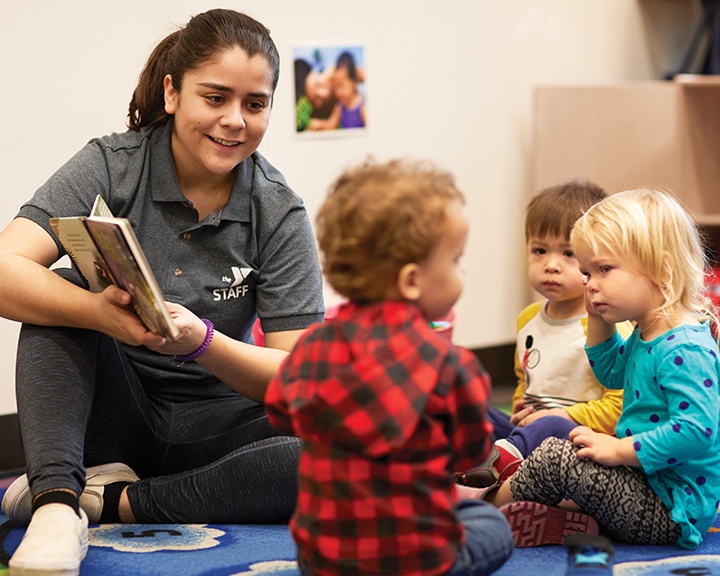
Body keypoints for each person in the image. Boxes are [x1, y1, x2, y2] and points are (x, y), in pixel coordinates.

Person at [0, 9, 324, 576]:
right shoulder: (111, 163)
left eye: (255, 104)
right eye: (215, 98)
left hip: (218, 431)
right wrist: (97, 313)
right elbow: (5, 270)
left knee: (339, 447)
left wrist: (204, 345)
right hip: (113, 416)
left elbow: (298, 377)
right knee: (62, 286)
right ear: (173, 92)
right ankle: (55, 503)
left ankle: (113, 502)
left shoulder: (278, 208)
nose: (234, 122)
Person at [264, 158, 513, 575]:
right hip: (417, 561)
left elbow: (280, 411)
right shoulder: (451, 366)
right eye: (455, 260)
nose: (462, 271)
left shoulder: (313, 347)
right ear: (412, 280)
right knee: (489, 524)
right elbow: (472, 452)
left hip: (324, 561)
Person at [488, 188, 720, 550]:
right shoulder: (651, 331)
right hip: (644, 481)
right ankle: (554, 516)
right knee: (561, 451)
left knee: (555, 457)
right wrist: (597, 320)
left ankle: (479, 511)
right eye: (586, 272)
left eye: (603, 270)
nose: (589, 283)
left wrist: (619, 450)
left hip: (671, 509)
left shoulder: (684, 347)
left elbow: (697, 431)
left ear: (661, 269)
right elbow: (611, 373)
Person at [456, 181, 632, 494]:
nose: (550, 265)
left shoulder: (610, 325)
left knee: (549, 425)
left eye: (568, 254)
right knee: (473, 407)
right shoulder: (528, 319)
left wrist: (561, 415)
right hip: (528, 435)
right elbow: (526, 380)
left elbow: (619, 409)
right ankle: (477, 466)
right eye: (539, 251)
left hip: (579, 441)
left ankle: (488, 475)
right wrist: (522, 407)